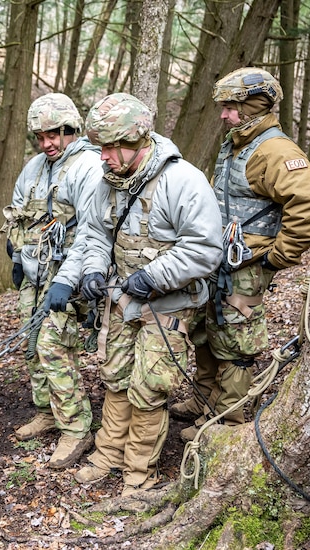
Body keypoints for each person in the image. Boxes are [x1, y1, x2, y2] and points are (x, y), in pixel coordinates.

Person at [73, 93, 223, 496]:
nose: (101, 156)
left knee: (150, 386)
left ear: (134, 141)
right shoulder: (107, 182)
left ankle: (138, 473)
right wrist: (92, 269)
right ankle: (107, 455)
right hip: (122, 302)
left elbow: (205, 249)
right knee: (115, 377)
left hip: (168, 306)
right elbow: (93, 233)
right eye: (99, 147)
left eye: (108, 147)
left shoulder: (182, 180)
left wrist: (152, 276)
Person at [174, 68, 310, 441]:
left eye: (231, 107)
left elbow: (309, 201)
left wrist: (278, 257)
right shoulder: (237, 143)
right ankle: (206, 400)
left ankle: (227, 422)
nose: (223, 115)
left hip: (247, 267)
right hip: (220, 260)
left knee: (236, 342)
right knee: (207, 331)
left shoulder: (275, 149)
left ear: (254, 106)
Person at [1, 92, 103, 469]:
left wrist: (70, 279)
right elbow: (19, 212)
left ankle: (76, 427)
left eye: (54, 135)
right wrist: (16, 253)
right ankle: (47, 409)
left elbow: (95, 231)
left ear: (71, 129)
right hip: (35, 272)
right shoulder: (35, 167)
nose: (47, 144)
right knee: (31, 345)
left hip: (70, 276)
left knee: (53, 344)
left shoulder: (89, 167)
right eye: (40, 136)